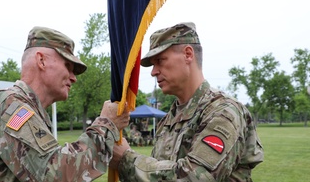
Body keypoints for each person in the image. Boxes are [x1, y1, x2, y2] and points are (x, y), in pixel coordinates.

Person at [0, 26, 130, 181]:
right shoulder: (11, 105)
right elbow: (55, 174)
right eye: (68, 66)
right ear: (41, 61)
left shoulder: (25, 107)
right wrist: (106, 125)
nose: (74, 78)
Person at [110, 22, 264, 181]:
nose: (154, 72)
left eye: (160, 60)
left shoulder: (223, 111)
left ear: (188, 54)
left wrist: (125, 160)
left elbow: (195, 177)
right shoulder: (170, 119)